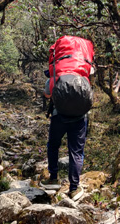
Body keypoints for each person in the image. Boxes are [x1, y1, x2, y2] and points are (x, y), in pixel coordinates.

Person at [40, 36, 94, 201]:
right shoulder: (84, 74)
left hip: (59, 117)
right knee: (76, 152)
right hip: (80, 118)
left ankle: (54, 179)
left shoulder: (55, 75)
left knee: (53, 146)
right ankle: (74, 188)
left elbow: (48, 94)